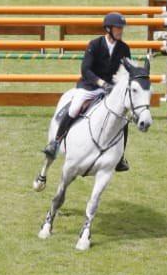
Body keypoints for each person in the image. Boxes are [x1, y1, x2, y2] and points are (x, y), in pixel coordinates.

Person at [42, 13, 132, 171]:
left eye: (121, 28)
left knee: (123, 119)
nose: (120, 31)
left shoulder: (124, 48)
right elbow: (85, 70)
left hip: (110, 91)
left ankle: (120, 158)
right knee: (75, 107)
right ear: (108, 29)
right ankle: (55, 142)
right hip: (90, 87)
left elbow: (126, 71)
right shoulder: (95, 45)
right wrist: (101, 83)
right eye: (118, 28)